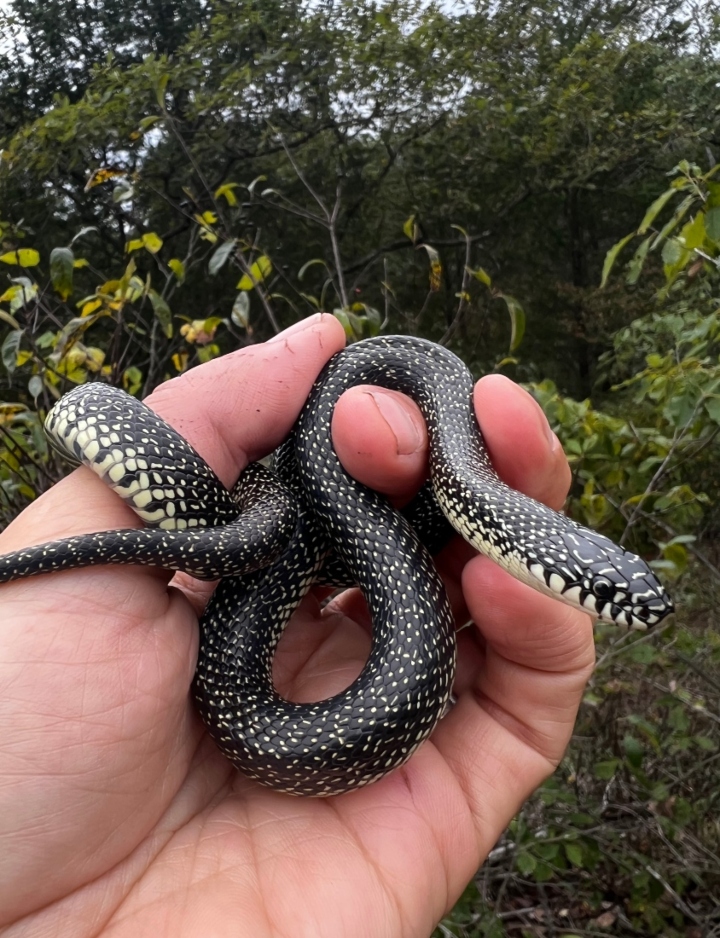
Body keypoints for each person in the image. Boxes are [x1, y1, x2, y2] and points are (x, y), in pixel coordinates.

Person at [0, 313, 595, 937]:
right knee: (299, 513)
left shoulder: (461, 486)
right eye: (603, 594)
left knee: (304, 521)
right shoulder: (408, 451)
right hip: (255, 530)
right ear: (551, 558)